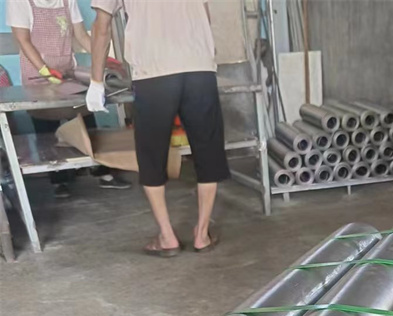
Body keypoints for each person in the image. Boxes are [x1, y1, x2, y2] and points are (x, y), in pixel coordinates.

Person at [86, 1, 230, 257]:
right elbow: (204, 14)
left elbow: (101, 26)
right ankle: (202, 235)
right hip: (199, 68)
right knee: (208, 150)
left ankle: (167, 237)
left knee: (152, 155)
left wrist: (96, 81)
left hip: (153, 71)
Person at [6, 0, 131, 198]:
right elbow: (23, 40)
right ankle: (59, 179)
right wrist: (45, 70)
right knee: (47, 127)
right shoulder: (20, 2)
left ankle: (101, 171)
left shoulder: (67, 1)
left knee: (84, 116)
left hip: (67, 71)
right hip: (37, 76)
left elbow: (80, 35)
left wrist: (101, 57)